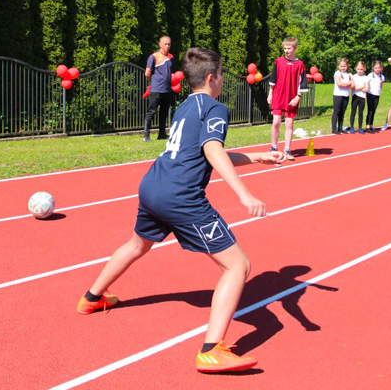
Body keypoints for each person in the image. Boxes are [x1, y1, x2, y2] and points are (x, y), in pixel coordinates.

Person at [77, 47, 284, 373]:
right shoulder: (216, 107)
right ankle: (211, 349)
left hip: (152, 186)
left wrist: (256, 157)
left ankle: (91, 298)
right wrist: (245, 194)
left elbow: (202, 150)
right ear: (213, 78)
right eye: (222, 77)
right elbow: (212, 149)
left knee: (136, 245)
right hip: (181, 197)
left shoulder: (186, 105)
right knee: (237, 266)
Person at [267, 36, 308, 159]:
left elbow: (303, 83)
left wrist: (298, 97)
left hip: (291, 98)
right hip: (278, 96)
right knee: (276, 122)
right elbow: (273, 79)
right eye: (285, 48)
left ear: (295, 48)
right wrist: (270, 94)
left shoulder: (300, 64)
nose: (287, 51)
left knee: (289, 124)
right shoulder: (278, 61)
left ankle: (287, 150)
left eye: (289, 48)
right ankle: (274, 146)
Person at [143, 35, 174, 142]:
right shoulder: (154, 56)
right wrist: (151, 82)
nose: (167, 46)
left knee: (164, 112)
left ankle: (162, 134)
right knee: (151, 112)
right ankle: (146, 135)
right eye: (165, 44)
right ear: (160, 44)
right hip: (156, 90)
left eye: (169, 44)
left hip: (167, 90)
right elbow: (147, 72)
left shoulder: (171, 57)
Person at [331, 58, 353, 134]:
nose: (342, 68)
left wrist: (346, 84)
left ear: (347, 66)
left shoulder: (349, 74)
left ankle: (340, 128)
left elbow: (352, 85)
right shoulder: (337, 73)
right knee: (336, 111)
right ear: (338, 66)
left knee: (342, 112)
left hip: (346, 95)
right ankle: (334, 129)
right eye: (341, 66)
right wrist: (348, 84)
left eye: (344, 66)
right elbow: (339, 84)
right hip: (338, 95)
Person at [365, 61, 386, 133]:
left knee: (373, 110)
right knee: (370, 110)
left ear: (381, 68)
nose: (377, 69)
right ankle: (367, 126)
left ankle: (371, 125)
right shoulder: (370, 75)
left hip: (377, 95)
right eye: (376, 68)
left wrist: (379, 92)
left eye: (379, 68)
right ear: (373, 68)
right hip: (370, 94)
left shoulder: (382, 77)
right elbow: (367, 84)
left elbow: (381, 85)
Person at [348, 61, 369, 134]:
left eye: (361, 69)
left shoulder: (366, 78)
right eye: (358, 69)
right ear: (356, 69)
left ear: (364, 69)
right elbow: (353, 88)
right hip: (355, 96)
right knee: (353, 112)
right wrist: (362, 87)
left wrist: (359, 88)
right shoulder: (353, 77)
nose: (360, 71)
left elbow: (366, 89)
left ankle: (360, 127)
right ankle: (352, 127)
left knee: (361, 112)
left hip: (362, 97)